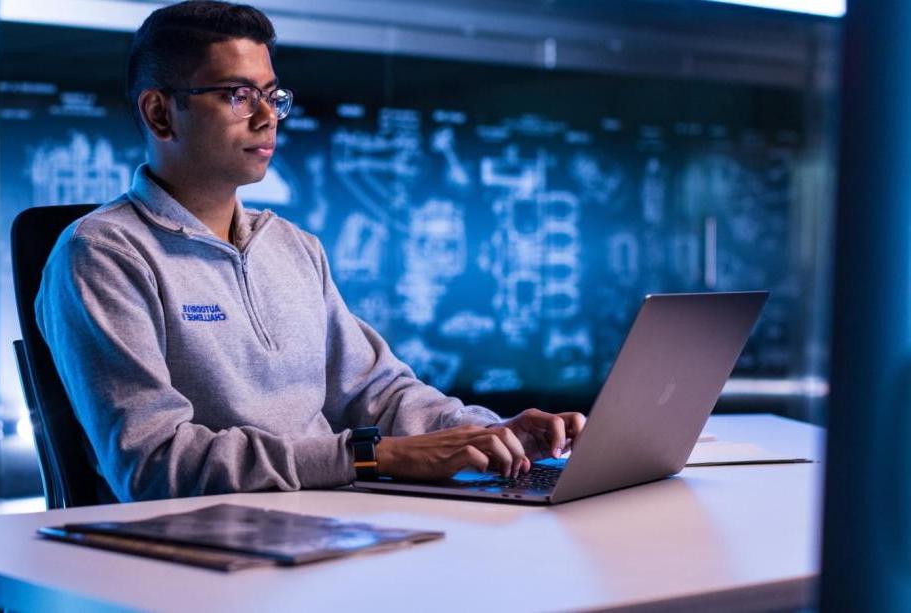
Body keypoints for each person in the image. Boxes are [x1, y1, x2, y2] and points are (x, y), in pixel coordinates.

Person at [36, 0, 585, 503]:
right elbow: (153, 464)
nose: (267, 117)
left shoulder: (294, 248)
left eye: (272, 95)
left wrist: (491, 433)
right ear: (159, 114)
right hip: (213, 546)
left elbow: (378, 394)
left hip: (333, 514)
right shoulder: (101, 254)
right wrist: (366, 457)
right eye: (236, 94)